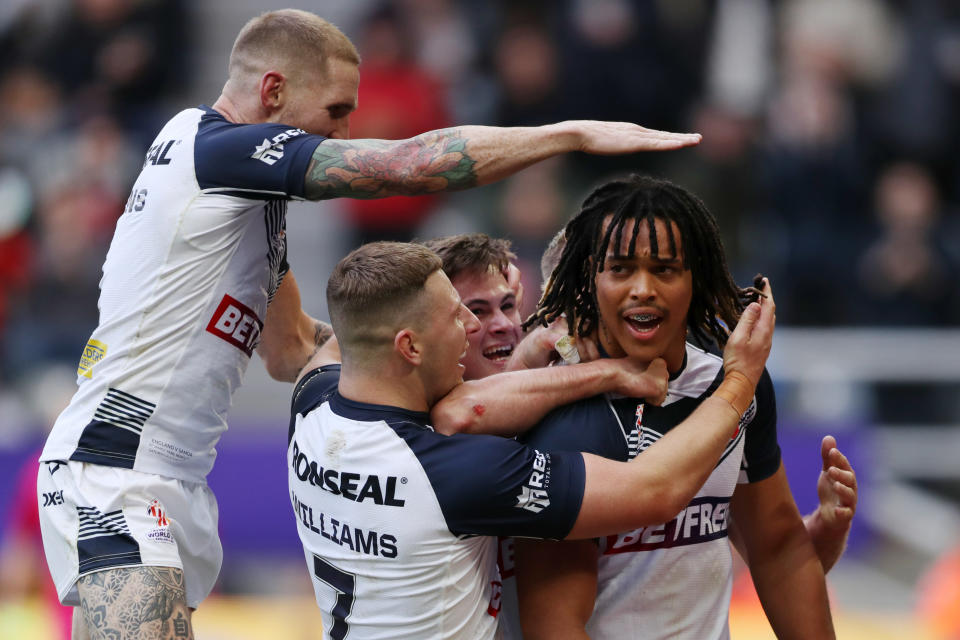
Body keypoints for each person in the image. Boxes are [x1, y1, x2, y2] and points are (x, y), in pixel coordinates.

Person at [35, 8, 706, 639]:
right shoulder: (211, 150)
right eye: (335, 112)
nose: (345, 132)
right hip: (112, 471)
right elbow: (405, 167)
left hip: (175, 476)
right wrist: (569, 135)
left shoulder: (246, 210)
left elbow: (292, 348)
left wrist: (494, 363)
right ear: (272, 93)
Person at [288, 240, 777, 639]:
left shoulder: (313, 404)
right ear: (409, 346)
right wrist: (738, 383)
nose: (478, 325)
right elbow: (655, 491)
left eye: (503, 305)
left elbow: (354, 321)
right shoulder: (459, 471)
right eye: (459, 314)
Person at [426, 230, 857, 640]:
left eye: (507, 306)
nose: (503, 324)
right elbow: (461, 411)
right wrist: (733, 382)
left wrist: (818, 534)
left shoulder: (695, 386)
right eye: (476, 312)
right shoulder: (440, 436)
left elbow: (769, 558)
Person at [514, 173, 836, 639]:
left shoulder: (735, 380)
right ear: (590, 278)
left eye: (664, 269)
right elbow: (554, 624)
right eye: (620, 268)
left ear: (695, 278)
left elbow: (778, 547)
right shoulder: (562, 415)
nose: (643, 288)